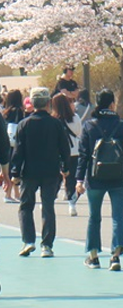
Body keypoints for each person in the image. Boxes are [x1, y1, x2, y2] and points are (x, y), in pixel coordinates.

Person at [75, 88, 123, 271]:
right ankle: (116, 256)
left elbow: (83, 155)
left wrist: (79, 179)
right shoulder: (122, 125)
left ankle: (93, 256)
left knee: (94, 217)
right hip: (118, 178)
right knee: (118, 217)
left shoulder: (89, 126)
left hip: (95, 178)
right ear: (112, 104)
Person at [11, 86, 71, 258]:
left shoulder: (24, 124)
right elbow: (64, 148)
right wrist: (65, 168)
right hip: (51, 172)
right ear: (48, 103)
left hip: (28, 172)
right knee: (48, 207)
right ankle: (47, 245)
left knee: (25, 207)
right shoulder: (56, 124)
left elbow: (18, 151)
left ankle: (28, 241)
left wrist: (15, 172)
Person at [51, 92, 83, 217]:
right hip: (74, 150)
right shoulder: (75, 118)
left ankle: (50, 200)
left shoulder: (53, 120)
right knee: (71, 179)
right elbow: (79, 132)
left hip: (57, 152)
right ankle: (72, 204)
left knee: (56, 178)